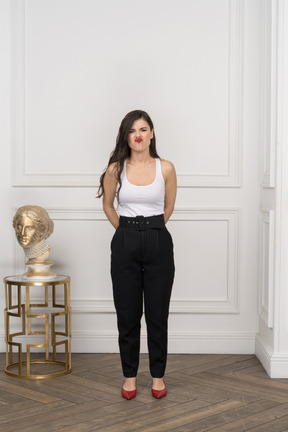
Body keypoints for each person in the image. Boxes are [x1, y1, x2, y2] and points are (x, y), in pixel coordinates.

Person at [97, 110, 176, 399]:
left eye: (144, 129)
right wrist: (128, 230)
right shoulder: (115, 169)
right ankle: (129, 377)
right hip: (125, 240)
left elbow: (168, 208)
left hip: (158, 240)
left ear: (152, 133)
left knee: (157, 314)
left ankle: (158, 377)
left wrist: (150, 229)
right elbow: (108, 205)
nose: (138, 135)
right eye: (132, 130)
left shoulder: (166, 168)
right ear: (126, 136)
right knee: (128, 314)